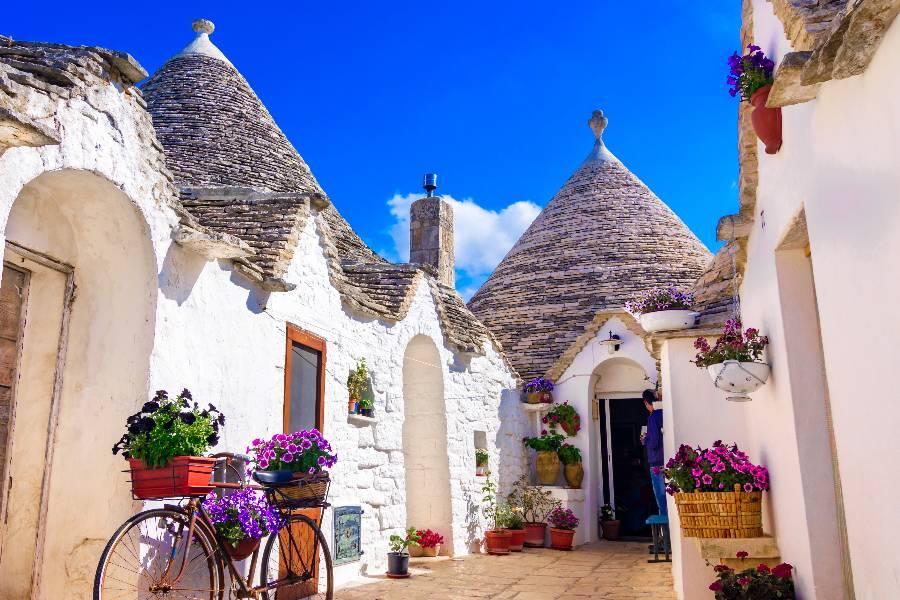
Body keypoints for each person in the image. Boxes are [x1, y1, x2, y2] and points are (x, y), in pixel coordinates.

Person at [640, 388, 667, 517]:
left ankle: (665, 533)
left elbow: (654, 443)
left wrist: (645, 439)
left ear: (646, 402)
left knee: (661, 499)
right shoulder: (664, 414)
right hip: (666, 460)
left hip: (657, 462)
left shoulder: (653, 417)